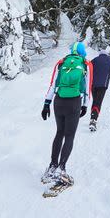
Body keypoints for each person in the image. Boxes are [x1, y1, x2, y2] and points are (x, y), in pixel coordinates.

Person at [40, 41, 90, 185]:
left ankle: (52, 167)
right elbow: (86, 88)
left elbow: (53, 85)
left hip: (59, 101)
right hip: (74, 102)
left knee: (59, 132)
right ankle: (61, 169)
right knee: (69, 135)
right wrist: (85, 105)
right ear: (82, 52)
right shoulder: (85, 65)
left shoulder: (62, 63)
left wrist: (46, 104)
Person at [87, 48, 110, 131]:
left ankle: (93, 116)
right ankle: (93, 120)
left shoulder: (94, 60)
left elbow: (88, 70)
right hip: (103, 85)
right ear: (107, 53)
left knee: (95, 101)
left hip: (93, 84)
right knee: (98, 101)